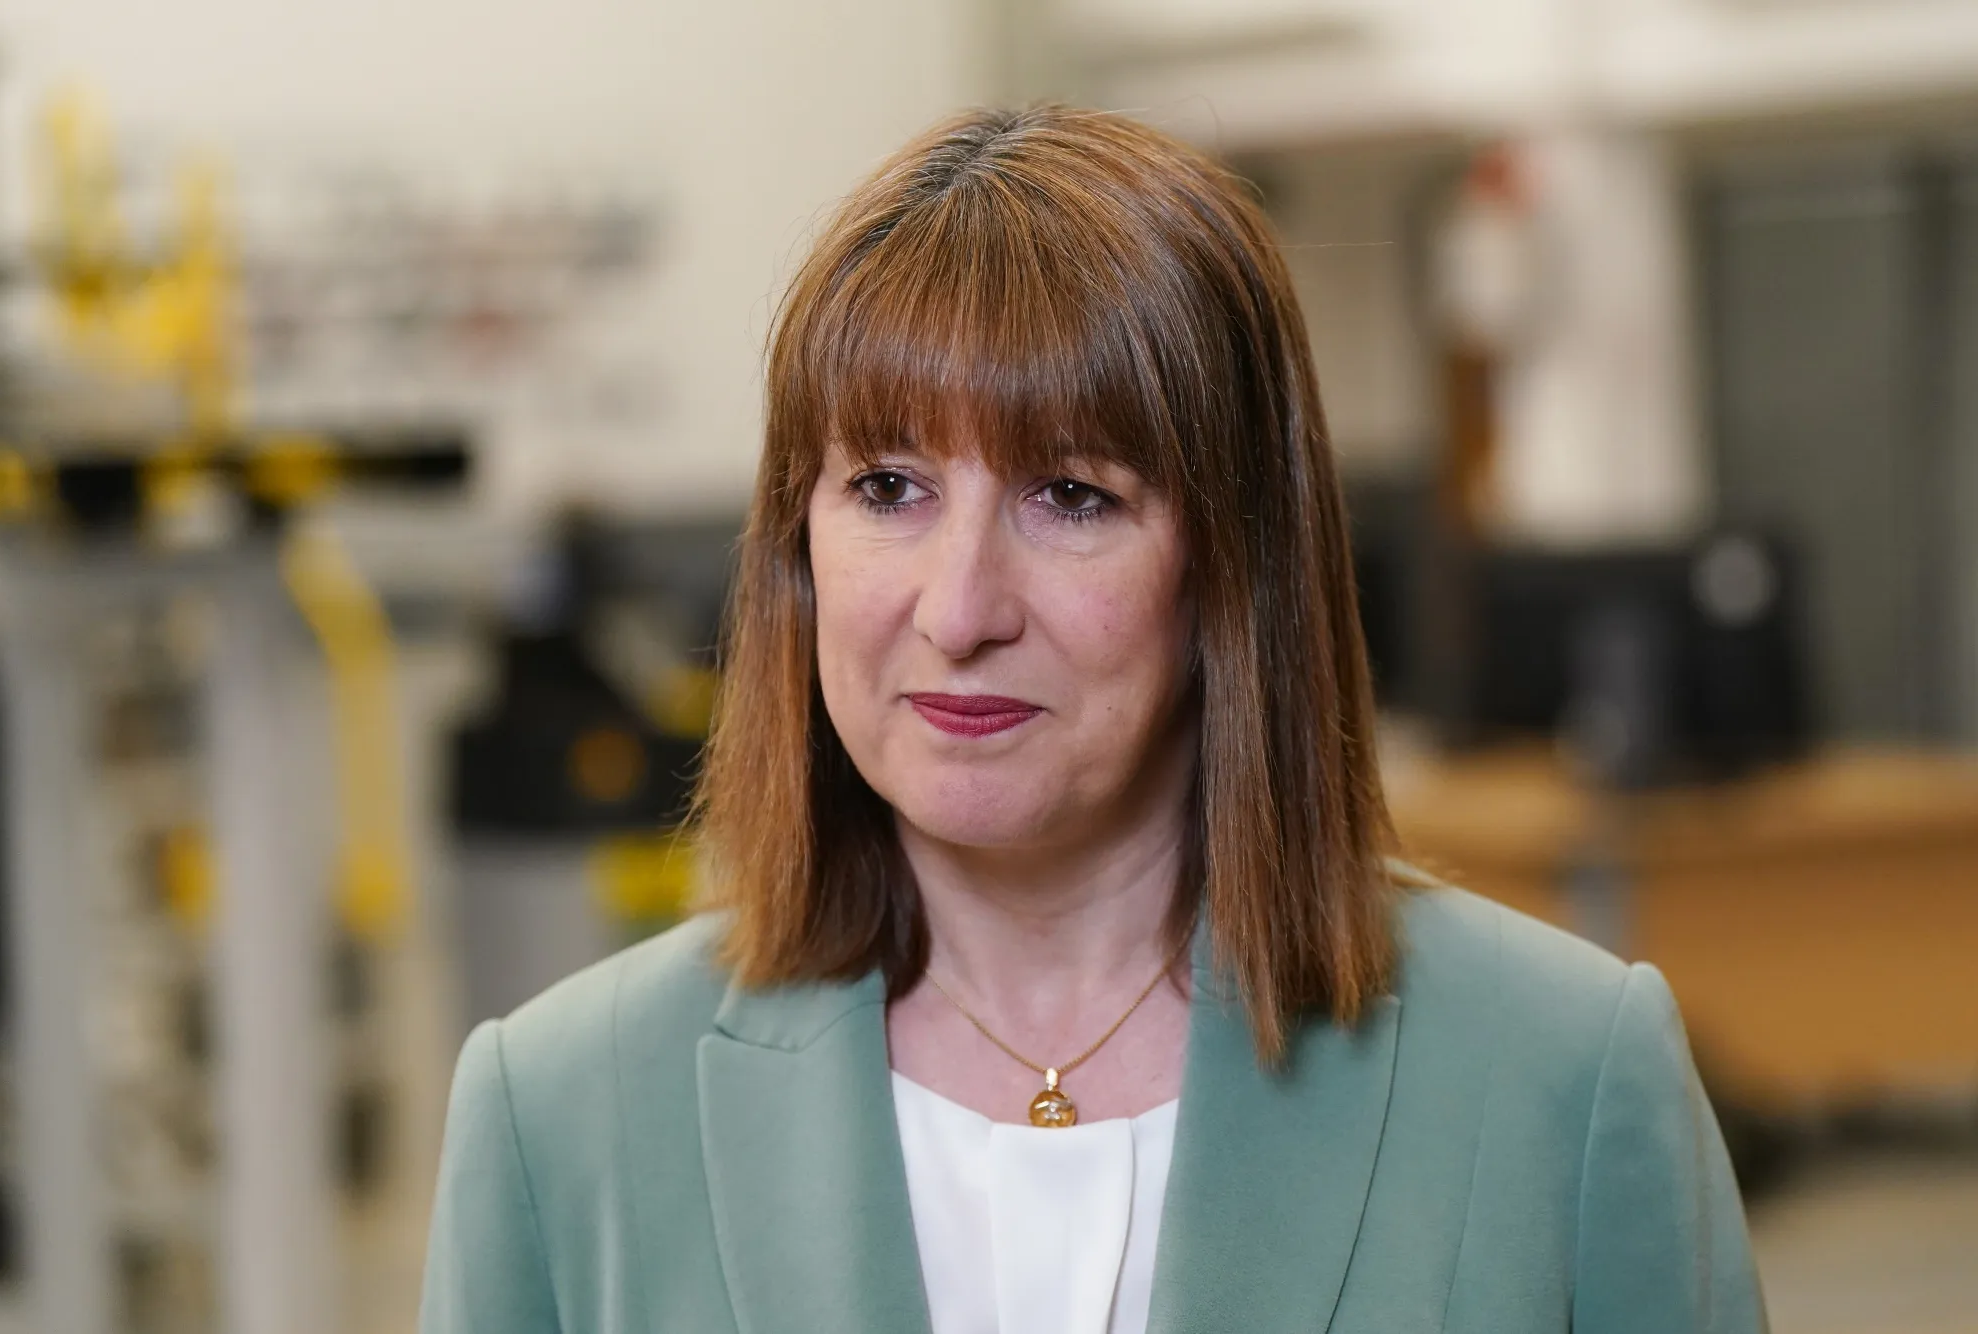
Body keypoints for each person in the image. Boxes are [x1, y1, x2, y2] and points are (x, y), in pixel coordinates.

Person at [419, 104, 1766, 1334]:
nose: (959, 610)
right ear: (797, 545)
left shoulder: (1562, 1077)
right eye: (888, 488)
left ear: (1234, 567)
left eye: (1072, 496)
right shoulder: (559, 1115)